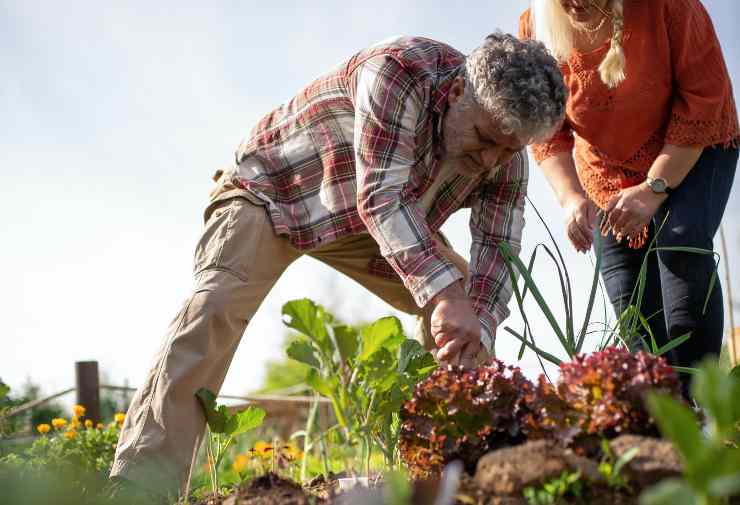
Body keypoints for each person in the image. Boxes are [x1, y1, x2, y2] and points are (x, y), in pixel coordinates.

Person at [107, 32, 567, 500]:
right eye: (485, 139)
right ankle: (141, 486)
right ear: (455, 95)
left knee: (468, 313)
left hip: (369, 229)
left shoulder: (506, 150)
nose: (491, 159)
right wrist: (445, 296)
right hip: (275, 195)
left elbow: (498, 247)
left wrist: (478, 327)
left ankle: (446, 477)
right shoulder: (399, 71)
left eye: (508, 150)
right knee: (216, 304)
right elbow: (382, 198)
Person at [519, 0, 739, 394]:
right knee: (626, 286)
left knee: (680, 243)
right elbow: (545, 131)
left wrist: (654, 188)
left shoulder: (670, 8)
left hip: (695, 144)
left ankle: (703, 406)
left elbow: (703, 104)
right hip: (607, 169)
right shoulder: (535, 27)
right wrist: (571, 198)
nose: (575, 3)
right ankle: (658, 411)